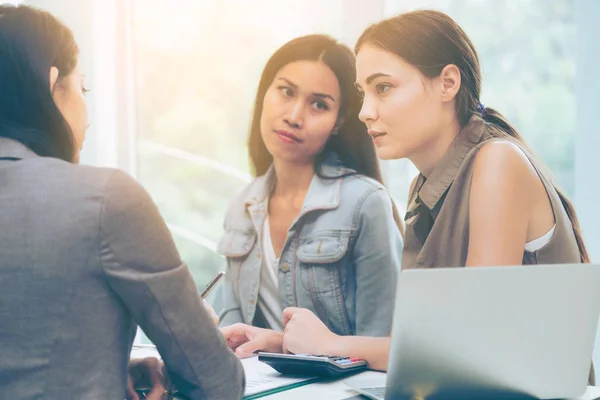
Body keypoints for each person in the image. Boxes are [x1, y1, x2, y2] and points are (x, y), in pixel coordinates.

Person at [283, 8, 593, 379]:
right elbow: (421, 344)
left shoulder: (498, 163)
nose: (365, 112)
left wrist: (329, 344)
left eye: (383, 88)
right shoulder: (425, 186)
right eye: (364, 93)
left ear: (448, 83)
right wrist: (288, 343)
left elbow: (472, 344)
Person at [0, 5, 244, 399]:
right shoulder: (104, 198)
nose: (88, 112)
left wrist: (106, 364)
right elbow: (217, 383)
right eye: (84, 87)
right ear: (51, 84)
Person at [218, 34, 403, 367]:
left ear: (338, 122)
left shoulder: (365, 203)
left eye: (319, 104)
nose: (294, 116)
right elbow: (233, 333)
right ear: (265, 93)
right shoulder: (241, 207)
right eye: (286, 92)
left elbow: (386, 343)